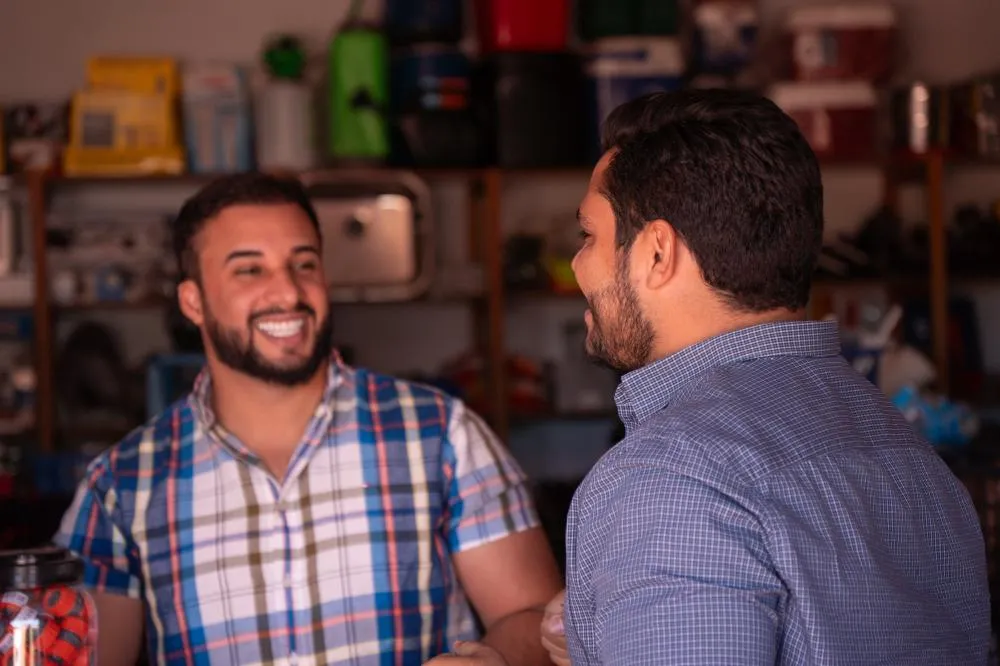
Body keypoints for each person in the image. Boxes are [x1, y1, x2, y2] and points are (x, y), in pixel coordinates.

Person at [554, 89, 991, 665]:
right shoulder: (904, 448)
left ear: (657, 254)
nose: (577, 264)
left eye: (589, 236)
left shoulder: (671, 477)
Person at [53, 173, 563, 666]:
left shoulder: (440, 434)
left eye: (304, 263)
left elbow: (536, 618)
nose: (289, 293)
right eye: (249, 269)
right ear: (193, 301)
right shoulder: (120, 487)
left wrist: (494, 660)